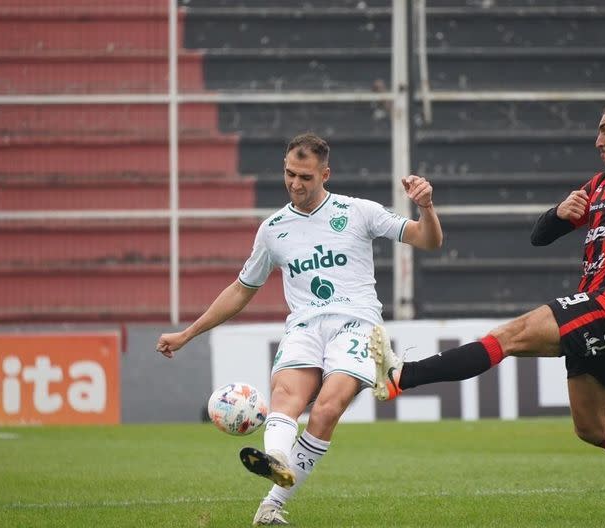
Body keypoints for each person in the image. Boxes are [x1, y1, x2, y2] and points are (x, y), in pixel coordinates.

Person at [368, 94, 605, 518]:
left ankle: (402, 377)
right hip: (594, 307)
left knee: (509, 335)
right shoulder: (599, 186)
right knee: (593, 428)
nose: (597, 139)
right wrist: (559, 212)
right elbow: (539, 236)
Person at [156, 133, 442, 525]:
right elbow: (241, 290)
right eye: (290, 174)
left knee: (326, 408)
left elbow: (428, 240)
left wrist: (425, 207)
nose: (295, 184)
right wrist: (187, 334)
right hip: (305, 326)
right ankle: (275, 461)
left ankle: (273, 501)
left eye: (305, 177)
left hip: (356, 325)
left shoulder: (359, 212)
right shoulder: (273, 229)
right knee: (285, 396)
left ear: (325, 174)